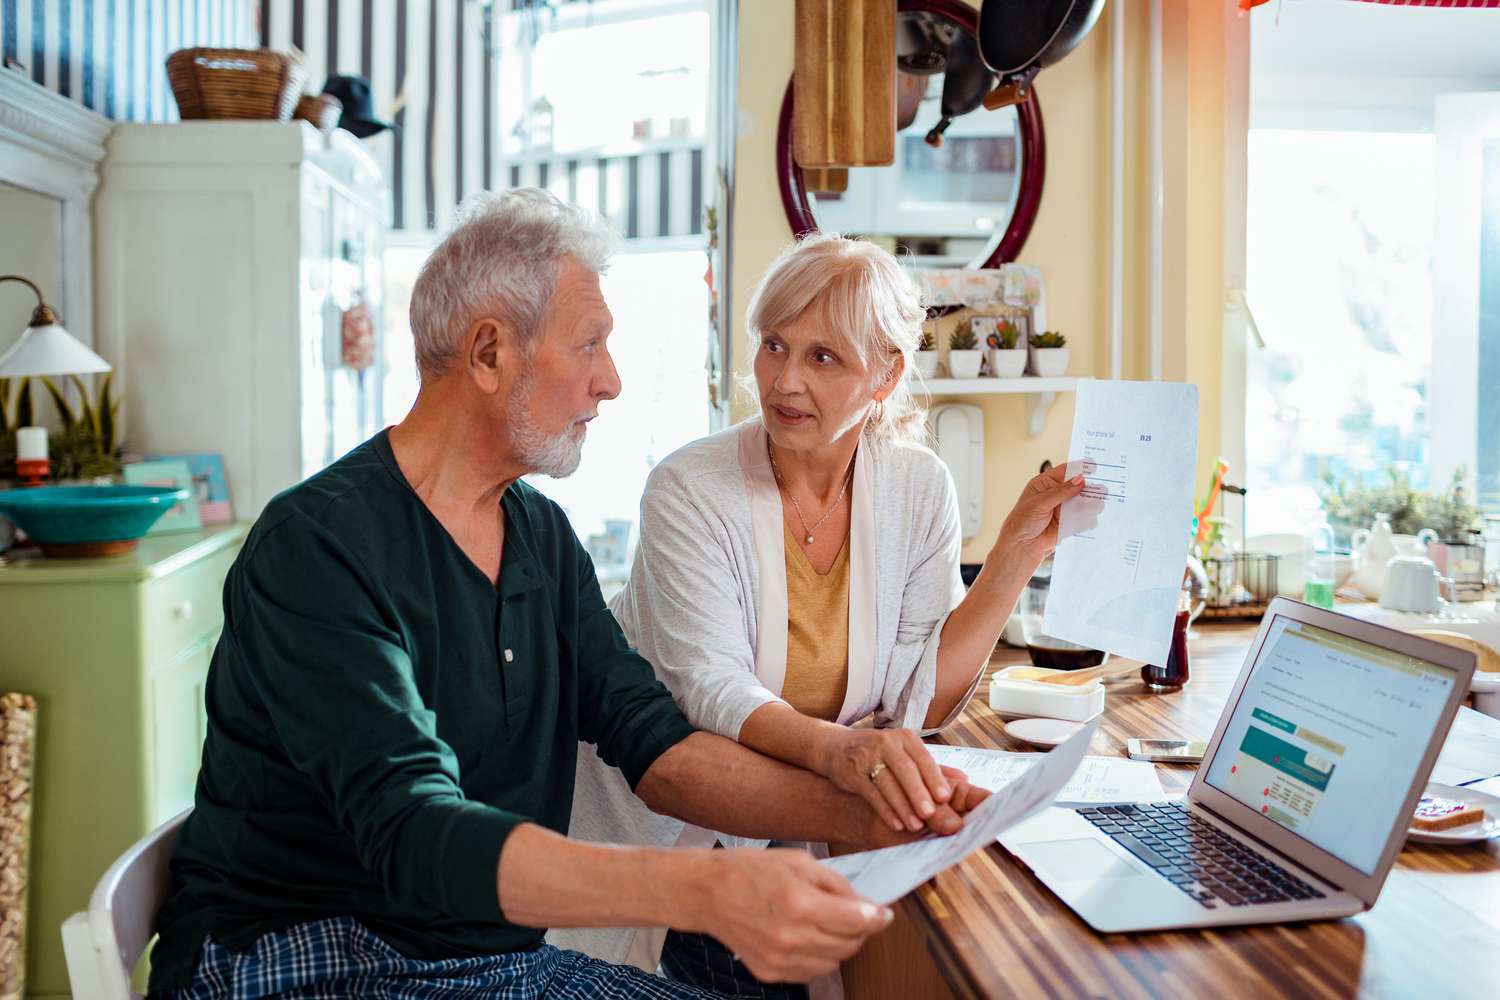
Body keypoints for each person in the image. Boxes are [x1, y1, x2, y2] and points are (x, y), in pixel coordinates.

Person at [146, 192, 990, 1000]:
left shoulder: (541, 538)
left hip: (486, 965)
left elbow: (656, 744)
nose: (612, 381)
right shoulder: (321, 545)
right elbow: (413, 832)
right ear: (488, 354)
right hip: (308, 961)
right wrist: (703, 888)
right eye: (589, 345)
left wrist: (875, 801)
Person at [561, 233, 1091, 996]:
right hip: (678, 841)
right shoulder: (688, 488)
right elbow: (711, 690)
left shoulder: (917, 488)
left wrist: (1012, 557)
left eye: (823, 357)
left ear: (886, 374)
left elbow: (922, 697)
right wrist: (841, 755)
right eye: (774, 345)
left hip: (802, 838)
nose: (783, 381)